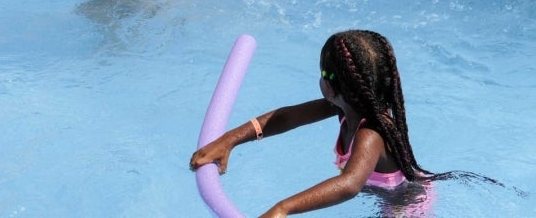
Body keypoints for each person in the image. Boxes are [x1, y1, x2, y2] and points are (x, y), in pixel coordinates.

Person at [190, 30, 499, 217]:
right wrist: (230, 138)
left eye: (322, 72)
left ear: (332, 85)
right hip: (384, 197)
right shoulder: (344, 107)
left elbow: (350, 184)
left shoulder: (370, 133)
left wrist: (282, 207)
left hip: (404, 209)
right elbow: (287, 117)